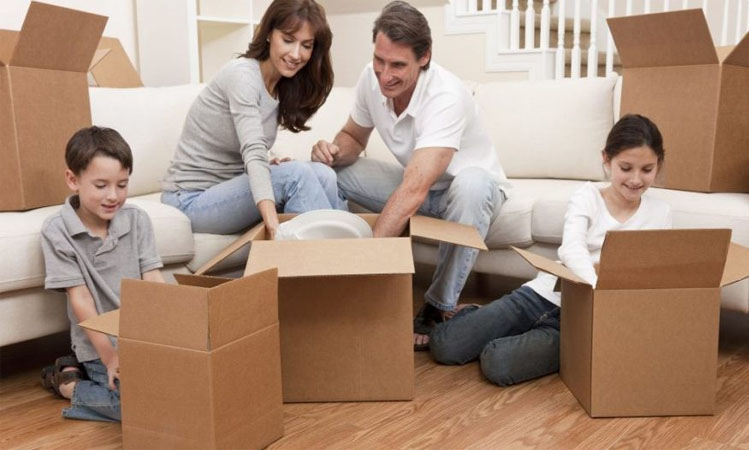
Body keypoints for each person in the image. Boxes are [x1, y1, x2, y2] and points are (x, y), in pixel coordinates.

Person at [311, 1, 512, 350]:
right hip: (420, 187)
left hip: (464, 194)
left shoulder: (445, 95)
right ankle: (325, 276)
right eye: (379, 60)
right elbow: (355, 137)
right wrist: (331, 151)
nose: (385, 75)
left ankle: (437, 306)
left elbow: (415, 188)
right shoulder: (369, 79)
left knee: (472, 184)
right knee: (325, 173)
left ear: (424, 58)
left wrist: (366, 264)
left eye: (398, 65)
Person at [428, 114, 673, 386]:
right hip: (542, 295)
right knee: (445, 346)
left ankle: (504, 333)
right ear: (606, 160)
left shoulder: (660, 214)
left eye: (647, 170)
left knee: (497, 363)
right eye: (626, 168)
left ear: (658, 165)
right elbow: (572, 248)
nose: (636, 179)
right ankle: (478, 315)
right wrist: (597, 288)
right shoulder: (588, 196)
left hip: (580, 319)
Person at [162, 0, 344, 238]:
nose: (296, 54)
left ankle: (346, 254)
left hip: (231, 187)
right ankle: (329, 262)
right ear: (269, 33)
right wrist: (273, 227)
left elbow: (249, 150)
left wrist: (273, 164)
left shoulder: (282, 85)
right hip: (191, 199)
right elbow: (252, 148)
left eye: (306, 45)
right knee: (295, 175)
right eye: (288, 40)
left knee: (325, 175)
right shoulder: (242, 76)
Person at [40, 127, 166, 422]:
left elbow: (154, 279)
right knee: (138, 408)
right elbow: (80, 299)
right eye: (101, 185)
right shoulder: (57, 231)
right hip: (99, 346)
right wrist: (110, 357)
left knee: (180, 391)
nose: (113, 196)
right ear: (73, 180)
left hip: (143, 337)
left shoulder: (137, 220)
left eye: (122, 185)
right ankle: (69, 385)